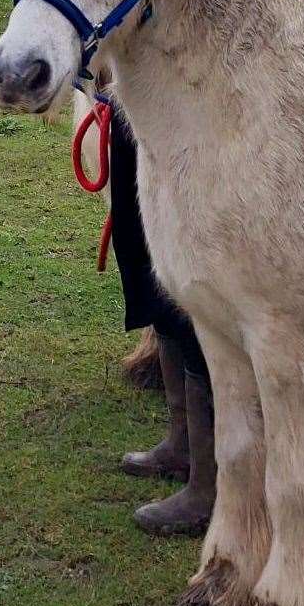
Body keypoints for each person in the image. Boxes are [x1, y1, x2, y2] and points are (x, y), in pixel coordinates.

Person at [107, 101, 216, 537]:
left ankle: (209, 484)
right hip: (132, 108)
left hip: (180, 108)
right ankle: (182, 442)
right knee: (146, 262)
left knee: (189, 280)